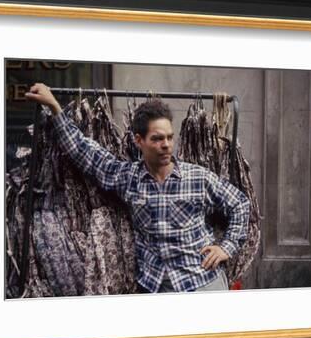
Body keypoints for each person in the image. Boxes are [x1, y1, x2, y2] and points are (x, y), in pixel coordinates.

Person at [25, 83, 250, 293]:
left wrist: (226, 247)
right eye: (157, 138)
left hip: (203, 284)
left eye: (170, 138)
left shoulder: (198, 178)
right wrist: (55, 108)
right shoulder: (129, 178)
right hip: (155, 287)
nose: (166, 145)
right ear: (138, 140)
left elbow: (240, 204)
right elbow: (86, 154)